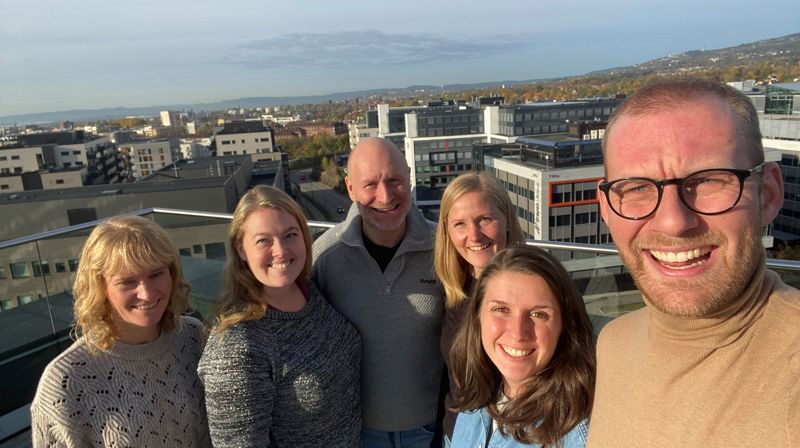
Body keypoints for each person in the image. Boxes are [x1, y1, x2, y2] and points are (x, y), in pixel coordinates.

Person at [589, 78, 799, 447]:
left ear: (768, 194)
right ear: (607, 209)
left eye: (707, 180)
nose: (674, 221)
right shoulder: (614, 344)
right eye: (636, 188)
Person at [198, 185, 361, 447]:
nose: (281, 251)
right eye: (263, 240)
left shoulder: (309, 290)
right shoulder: (237, 346)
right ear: (241, 248)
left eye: (290, 235)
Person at [30, 216, 210, 447]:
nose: (146, 293)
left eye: (156, 274)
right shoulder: (66, 380)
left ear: (172, 274)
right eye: (128, 282)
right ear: (100, 287)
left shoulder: (192, 336)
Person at [312, 137, 444, 447]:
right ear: (350, 188)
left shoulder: (444, 249)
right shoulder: (325, 257)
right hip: (357, 431)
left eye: (394, 180)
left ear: (409, 177)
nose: (385, 196)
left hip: (430, 428)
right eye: (370, 184)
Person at [449, 246, 594, 447]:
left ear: (565, 326)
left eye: (539, 314)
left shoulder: (578, 436)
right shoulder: (479, 395)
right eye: (501, 309)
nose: (518, 334)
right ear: (478, 316)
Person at [434, 171, 526, 445]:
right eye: (460, 224)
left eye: (484, 219)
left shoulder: (535, 287)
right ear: (447, 232)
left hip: (514, 435)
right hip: (458, 434)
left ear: (507, 220)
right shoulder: (453, 290)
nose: (474, 235)